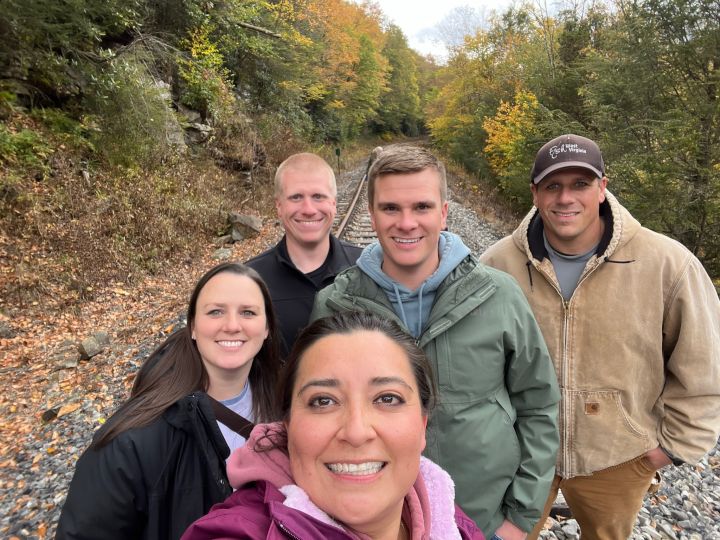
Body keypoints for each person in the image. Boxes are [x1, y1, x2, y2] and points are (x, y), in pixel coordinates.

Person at [311, 144, 560, 539]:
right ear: (372, 215)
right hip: (374, 524)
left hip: (483, 521)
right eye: (391, 208)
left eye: (422, 207)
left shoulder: (499, 296)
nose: (406, 223)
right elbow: (316, 417)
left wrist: (518, 518)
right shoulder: (334, 305)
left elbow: (540, 405)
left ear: (444, 213)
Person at [480, 133, 720, 540]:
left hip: (618, 457)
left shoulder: (667, 263)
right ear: (535, 193)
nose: (565, 198)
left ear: (602, 187)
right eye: (553, 186)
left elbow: (703, 364)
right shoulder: (498, 263)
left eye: (580, 184)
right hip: (519, 453)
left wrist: (670, 448)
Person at [182, 311, 485, 540]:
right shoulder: (243, 531)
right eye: (323, 401)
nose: (356, 432)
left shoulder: (447, 515)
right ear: (288, 426)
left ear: (422, 424)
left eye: (387, 398)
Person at [56, 262, 283, 540]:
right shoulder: (130, 444)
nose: (232, 325)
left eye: (248, 312)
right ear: (193, 327)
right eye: (215, 311)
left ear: (267, 327)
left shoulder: (290, 407)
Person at [246, 152, 362, 357]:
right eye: (296, 197)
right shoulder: (249, 280)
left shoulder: (367, 268)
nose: (308, 209)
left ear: (334, 203)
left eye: (318, 196)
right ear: (279, 206)